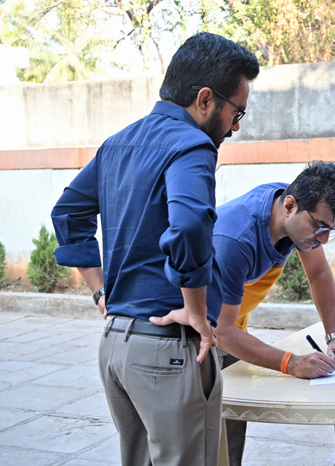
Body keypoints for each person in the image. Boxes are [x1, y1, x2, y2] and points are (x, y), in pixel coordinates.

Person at [50, 32, 259, 466]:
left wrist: (100, 291)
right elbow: (190, 225)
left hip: (116, 347)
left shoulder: (117, 143)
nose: (235, 126)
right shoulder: (193, 145)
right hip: (169, 352)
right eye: (236, 111)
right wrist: (196, 311)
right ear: (205, 99)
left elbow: (68, 212)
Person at [213, 160, 335, 465]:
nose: (323, 238)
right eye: (319, 227)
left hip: (229, 328)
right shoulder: (235, 240)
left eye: (330, 230)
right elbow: (222, 331)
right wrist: (292, 363)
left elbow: (319, 273)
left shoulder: (293, 212)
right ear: (289, 206)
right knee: (196, 439)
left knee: (230, 432)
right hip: (191, 334)